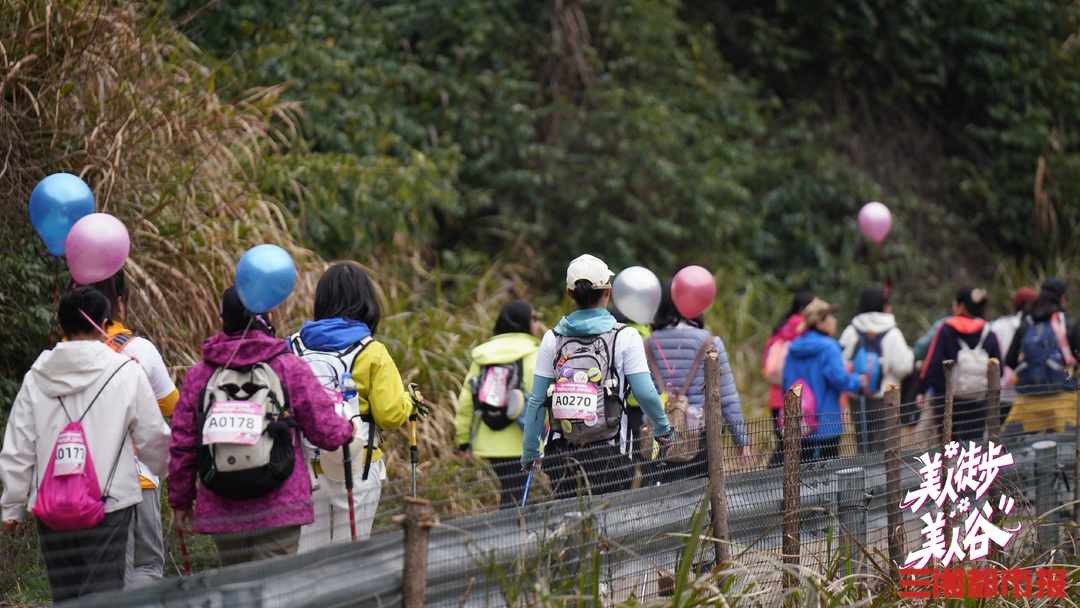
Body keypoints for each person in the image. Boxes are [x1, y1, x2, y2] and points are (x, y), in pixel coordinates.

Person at [1, 287, 171, 601]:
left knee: (65, 594)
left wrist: (12, 505)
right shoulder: (126, 371)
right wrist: (169, 472)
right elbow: (153, 437)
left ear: (62, 327)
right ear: (106, 325)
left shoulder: (37, 376)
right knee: (104, 595)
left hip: (52, 506)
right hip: (111, 504)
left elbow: (17, 446)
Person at [168, 286, 354, 565]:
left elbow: (183, 443)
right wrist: (349, 428)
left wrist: (181, 499)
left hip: (222, 505)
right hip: (280, 504)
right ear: (266, 317)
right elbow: (327, 432)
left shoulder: (200, 375)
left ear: (224, 319)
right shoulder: (288, 367)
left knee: (236, 591)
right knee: (274, 591)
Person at [520, 254, 673, 498]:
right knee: (609, 528)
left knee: (569, 526)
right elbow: (644, 392)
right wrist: (663, 429)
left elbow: (537, 400)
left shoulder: (553, 338)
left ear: (570, 293)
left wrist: (529, 452)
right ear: (608, 292)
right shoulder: (625, 336)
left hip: (562, 455)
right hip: (612, 453)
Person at [288, 262, 416, 547]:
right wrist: (410, 401)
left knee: (307, 561)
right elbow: (390, 414)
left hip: (304, 467)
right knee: (352, 561)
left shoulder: (292, 346)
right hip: (357, 464)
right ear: (367, 302)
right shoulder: (372, 351)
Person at [91, 269, 179, 586]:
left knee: (112, 573)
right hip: (139, 476)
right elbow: (171, 404)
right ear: (120, 304)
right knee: (146, 566)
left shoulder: (68, 351)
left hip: (88, 483)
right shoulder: (139, 350)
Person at [647, 281, 748, 481]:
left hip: (657, 436)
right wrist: (741, 440)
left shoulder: (645, 344)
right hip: (700, 436)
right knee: (700, 497)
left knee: (660, 497)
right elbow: (727, 398)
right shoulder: (709, 343)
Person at [455, 300, 541, 509]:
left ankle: (507, 535)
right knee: (515, 496)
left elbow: (467, 400)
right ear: (525, 322)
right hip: (523, 441)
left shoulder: (484, 354)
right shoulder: (534, 354)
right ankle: (511, 538)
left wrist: (463, 440)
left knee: (510, 489)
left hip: (489, 440)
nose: (537, 323)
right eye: (534, 318)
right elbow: (541, 399)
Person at [782, 297, 867, 461]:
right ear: (820, 323)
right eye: (830, 317)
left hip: (800, 423)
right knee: (829, 477)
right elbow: (840, 379)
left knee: (803, 472)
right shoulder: (829, 347)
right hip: (826, 424)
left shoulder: (794, 348)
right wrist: (858, 380)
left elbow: (786, 382)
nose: (834, 321)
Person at [916, 287, 1002, 443]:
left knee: (948, 445)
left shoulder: (947, 329)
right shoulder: (989, 332)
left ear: (962, 306)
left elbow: (933, 363)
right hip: (978, 400)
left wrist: (922, 389)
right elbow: (998, 369)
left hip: (948, 400)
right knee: (973, 445)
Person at [838, 286, 914, 453]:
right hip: (886, 398)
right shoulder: (892, 333)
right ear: (882, 307)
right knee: (883, 446)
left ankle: (864, 475)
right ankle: (880, 478)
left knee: (863, 442)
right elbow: (904, 366)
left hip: (858, 397)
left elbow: (840, 361)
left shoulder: (852, 330)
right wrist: (910, 353)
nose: (890, 308)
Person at [1004, 278, 1080, 433]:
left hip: (1028, 400)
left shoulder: (1027, 322)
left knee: (1021, 449)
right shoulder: (1068, 323)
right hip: (1062, 399)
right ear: (1062, 299)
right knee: (1066, 451)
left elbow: (1009, 360)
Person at [763, 291, 814, 467]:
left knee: (784, 444)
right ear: (804, 310)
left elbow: (765, 365)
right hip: (802, 399)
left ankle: (773, 480)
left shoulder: (778, 331)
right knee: (798, 447)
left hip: (777, 400)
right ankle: (777, 480)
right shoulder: (806, 332)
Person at [990, 286, 1038, 419]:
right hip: (1027, 395)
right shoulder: (1039, 328)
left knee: (998, 435)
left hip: (1000, 392)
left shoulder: (998, 325)